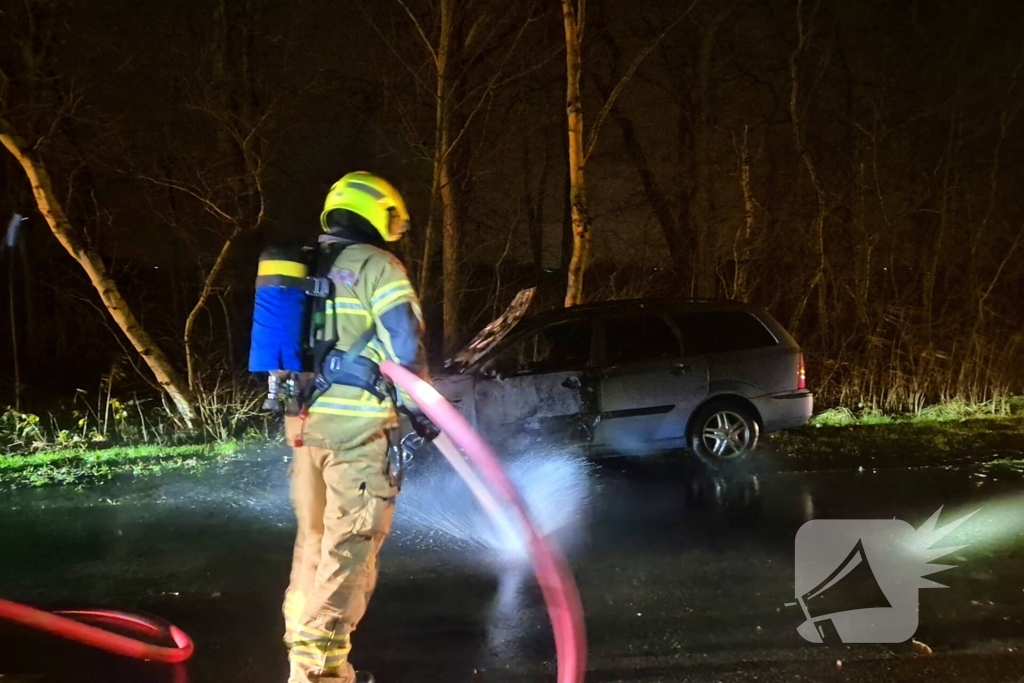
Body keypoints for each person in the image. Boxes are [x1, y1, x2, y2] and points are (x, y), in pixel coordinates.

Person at [281, 171, 436, 683]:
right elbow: (405, 344)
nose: (395, 230)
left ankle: (303, 662)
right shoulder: (378, 265)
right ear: (374, 211)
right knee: (349, 548)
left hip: (305, 428)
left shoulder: (305, 267)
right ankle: (321, 672)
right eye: (393, 219)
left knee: (315, 542)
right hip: (357, 432)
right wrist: (426, 405)